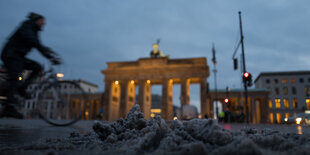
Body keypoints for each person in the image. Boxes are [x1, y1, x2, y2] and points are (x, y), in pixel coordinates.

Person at [0, 12, 61, 119]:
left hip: (18, 56)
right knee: (15, 77)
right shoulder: (27, 25)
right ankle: (9, 107)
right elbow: (33, 41)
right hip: (11, 54)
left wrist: (49, 55)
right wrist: (45, 51)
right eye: (42, 21)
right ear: (37, 20)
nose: (44, 24)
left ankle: (22, 88)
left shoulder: (35, 31)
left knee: (37, 67)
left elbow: (37, 44)